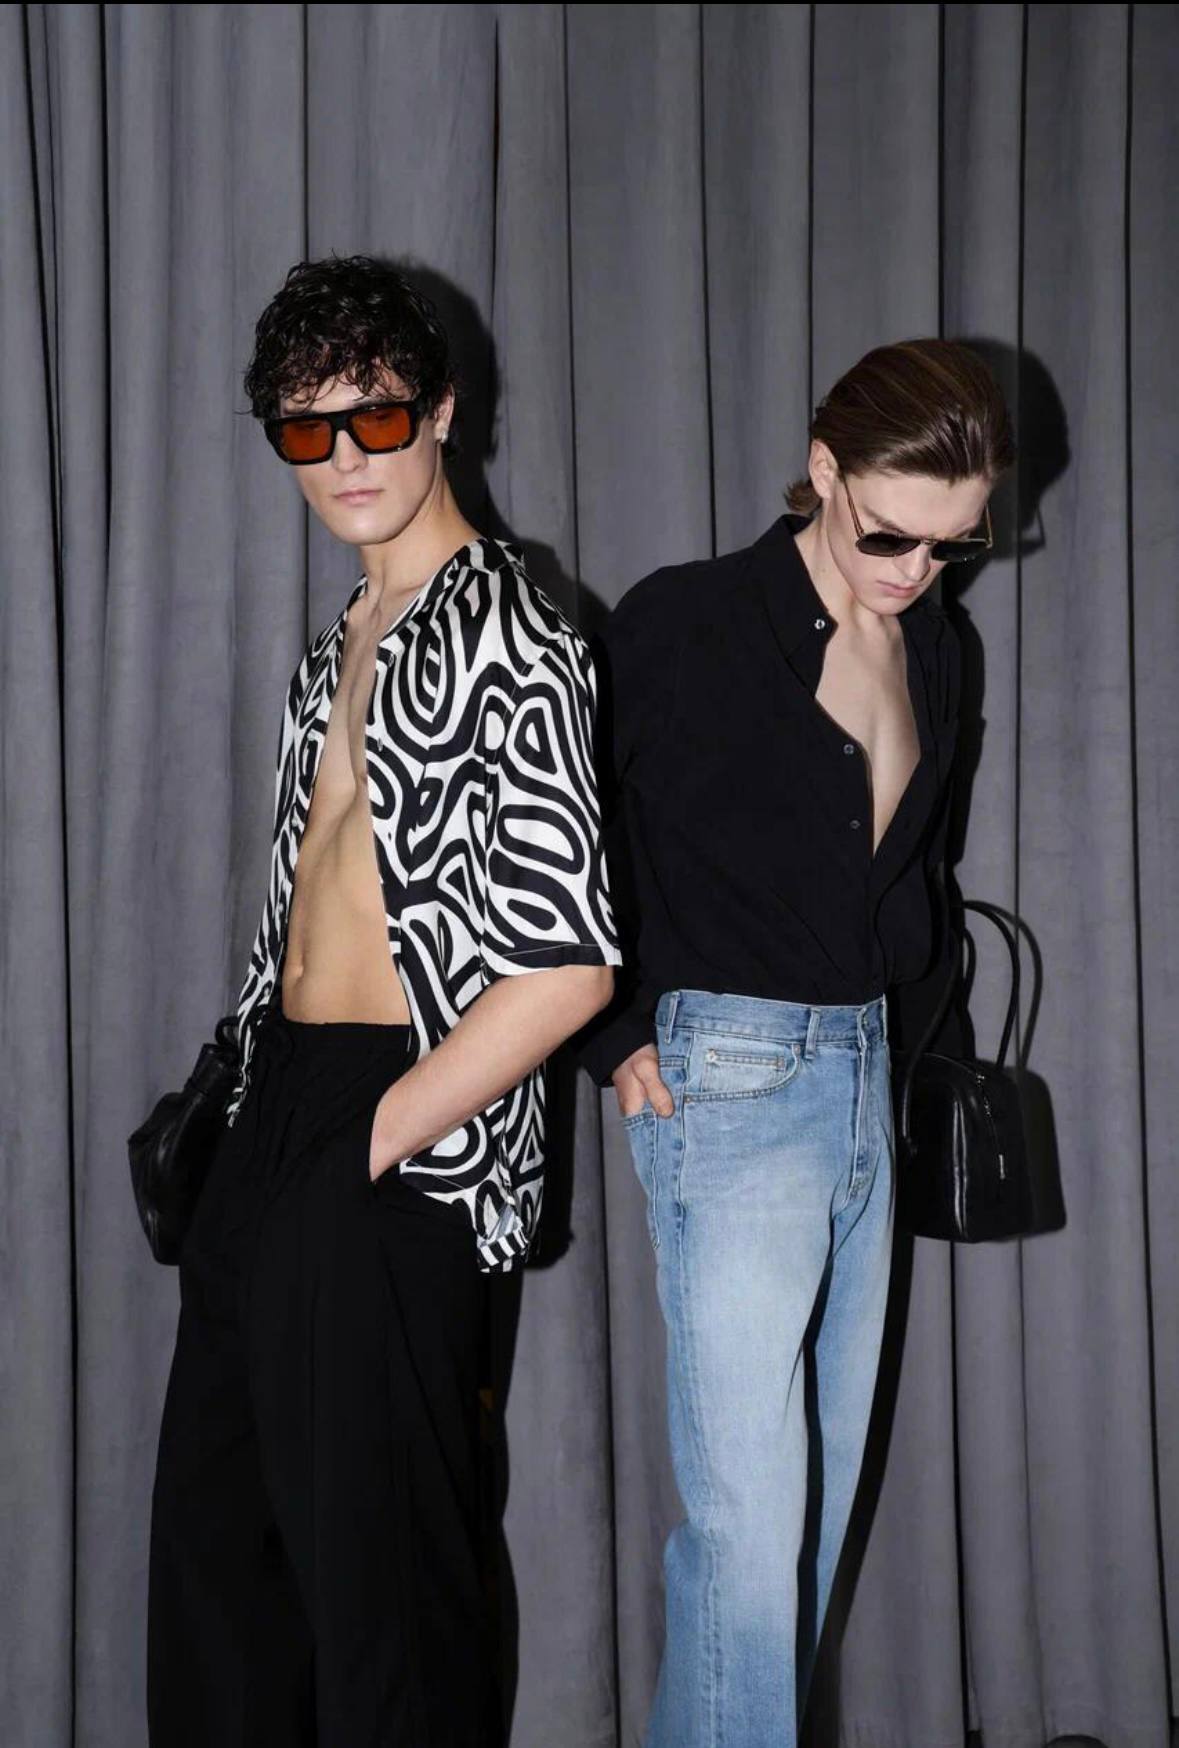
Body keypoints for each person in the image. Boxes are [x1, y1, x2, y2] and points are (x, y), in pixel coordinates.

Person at [147, 255, 619, 1747]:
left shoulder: (515, 631)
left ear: (444, 414)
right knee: (222, 1567)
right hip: (278, 1101)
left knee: (385, 1595)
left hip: (400, 1126)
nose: (344, 456)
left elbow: (568, 966)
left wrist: (368, 1144)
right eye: (307, 427)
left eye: (377, 416)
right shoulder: (343, 638)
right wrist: (253, 1121)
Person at [578, 339, 1013, 1747]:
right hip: (731, 1079)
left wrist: (920, 1046)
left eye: (953, 545)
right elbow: (572, 833)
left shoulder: (937, 645)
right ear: (823, 471)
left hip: (868, 1081)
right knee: (748, 1541)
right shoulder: (690, 621)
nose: (916, 570)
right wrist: (617, 1030)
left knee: (809, 1528)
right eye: (890, 533)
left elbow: (917, 872)